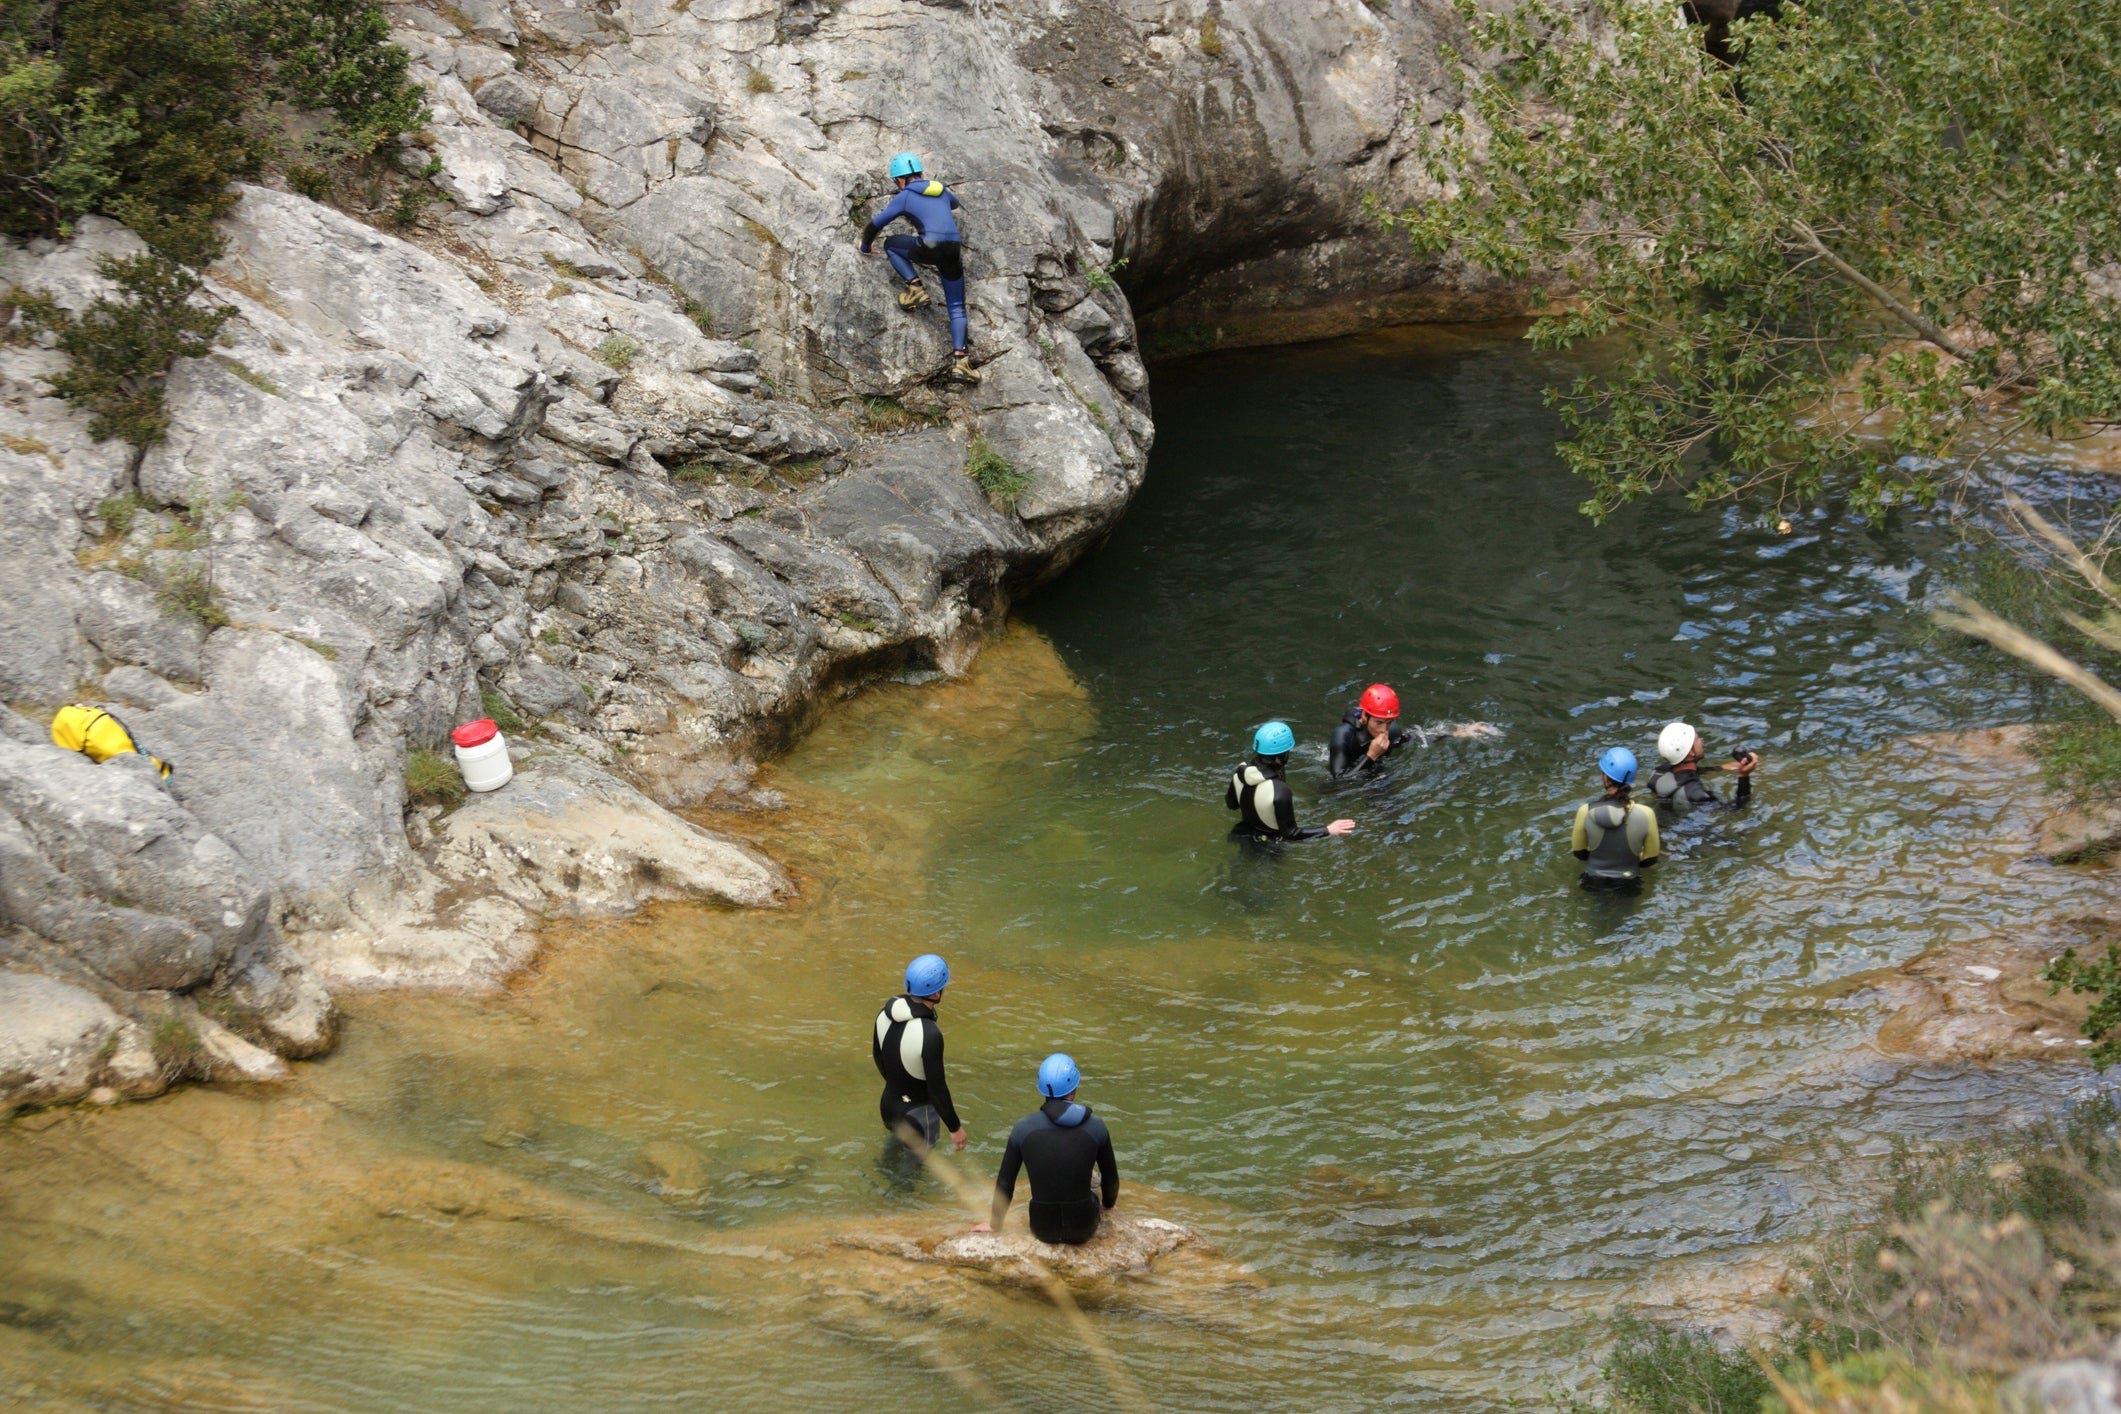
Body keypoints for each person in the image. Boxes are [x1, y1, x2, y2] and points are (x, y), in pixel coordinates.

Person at [859, 152, 978, 383]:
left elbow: (876, 223)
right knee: (956, 306)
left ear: (900, 180)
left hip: (929, 245)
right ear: (921, 173)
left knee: (891, 245)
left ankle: (915, 289)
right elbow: (953, 203)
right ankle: (961, 362)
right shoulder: (940, 189)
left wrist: (865, 246)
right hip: (953, 248)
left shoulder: (904, 196)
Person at [979, 1053, 1118, 1245]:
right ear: (1074, 1087)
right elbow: (1111, 1180)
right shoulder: (1096, 1126)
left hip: (1042, 1228)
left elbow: (1005, 1183)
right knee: (1094, 1184)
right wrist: (1108, 1207)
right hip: (1083, 1227)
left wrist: (994, 1225)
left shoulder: (1022, 1128)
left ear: (1041, 1089)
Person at [872, 952, 966, 1153]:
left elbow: (878, 1057)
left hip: (889, 1103)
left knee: (889, 1161)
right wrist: (955, 1127)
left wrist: (899, 1086)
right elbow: (937, 1088)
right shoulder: (930, 1034)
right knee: (909, 1179)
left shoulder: (885, 1013)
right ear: (935, 994)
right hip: (918, 1116)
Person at [1325, 683, 1499, 780]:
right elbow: (1339, 781)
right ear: (1364, 715)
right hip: (1350, 776)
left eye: (1389, 722)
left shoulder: (1390, 730)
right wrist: (1371, 756)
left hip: (1375, 775)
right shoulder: (1342, 735)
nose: (1383, 730)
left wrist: (1456, 733)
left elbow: (1417, 737)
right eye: (1378, 723)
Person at [1227, 721, 1355, 841]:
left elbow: (1232, 804)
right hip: (1268, 847)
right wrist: (1328, 830)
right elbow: (1291, 834)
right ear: (1281, 757)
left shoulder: (1240, 773)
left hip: (1241, 834)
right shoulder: (1280, 790)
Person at [1570, 746, 1659, 890]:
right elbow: (1650, 859)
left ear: (1605, 777)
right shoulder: (1647, 814)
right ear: (1631, 780)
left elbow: (1579, 853)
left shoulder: (1585, 811)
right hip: (1630, 883)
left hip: (1592, 880)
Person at [1649, 720, 1758, 817]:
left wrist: (1720, 768)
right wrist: (1743, 775)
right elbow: (1737, 810)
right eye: (1697, 739)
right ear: (1691, 752)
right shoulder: (1699, 794)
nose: (1701, 740)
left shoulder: (1656, 774)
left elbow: (1685, 774)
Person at [49, 703, 171, 780]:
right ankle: (161, 770)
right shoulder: (78, 710)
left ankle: (161, 772)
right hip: (102, 722)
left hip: (92, 733)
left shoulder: (59, 727)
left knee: (122, 751)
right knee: (129, 748)